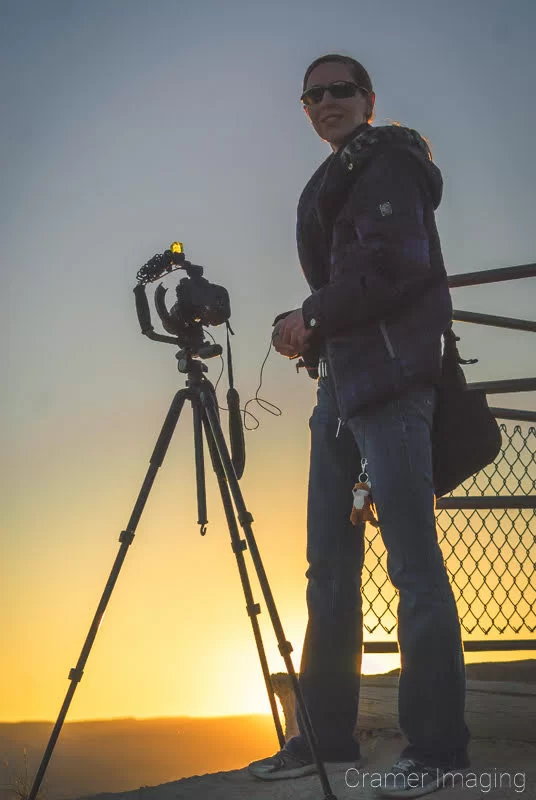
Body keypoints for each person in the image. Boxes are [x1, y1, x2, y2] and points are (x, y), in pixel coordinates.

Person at [247, 54, 471, 798]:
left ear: (369, 100)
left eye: (339, 89)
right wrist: (316, 325)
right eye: (311, 94)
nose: (324, 101)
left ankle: (438, 751)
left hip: (394, 386)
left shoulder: (388, 167)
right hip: (341, 389)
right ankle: (326, 741)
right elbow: (357, 278)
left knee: (413, 570)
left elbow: (394, 268)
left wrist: (309, 314)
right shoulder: (342, 175)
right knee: (329, 571)